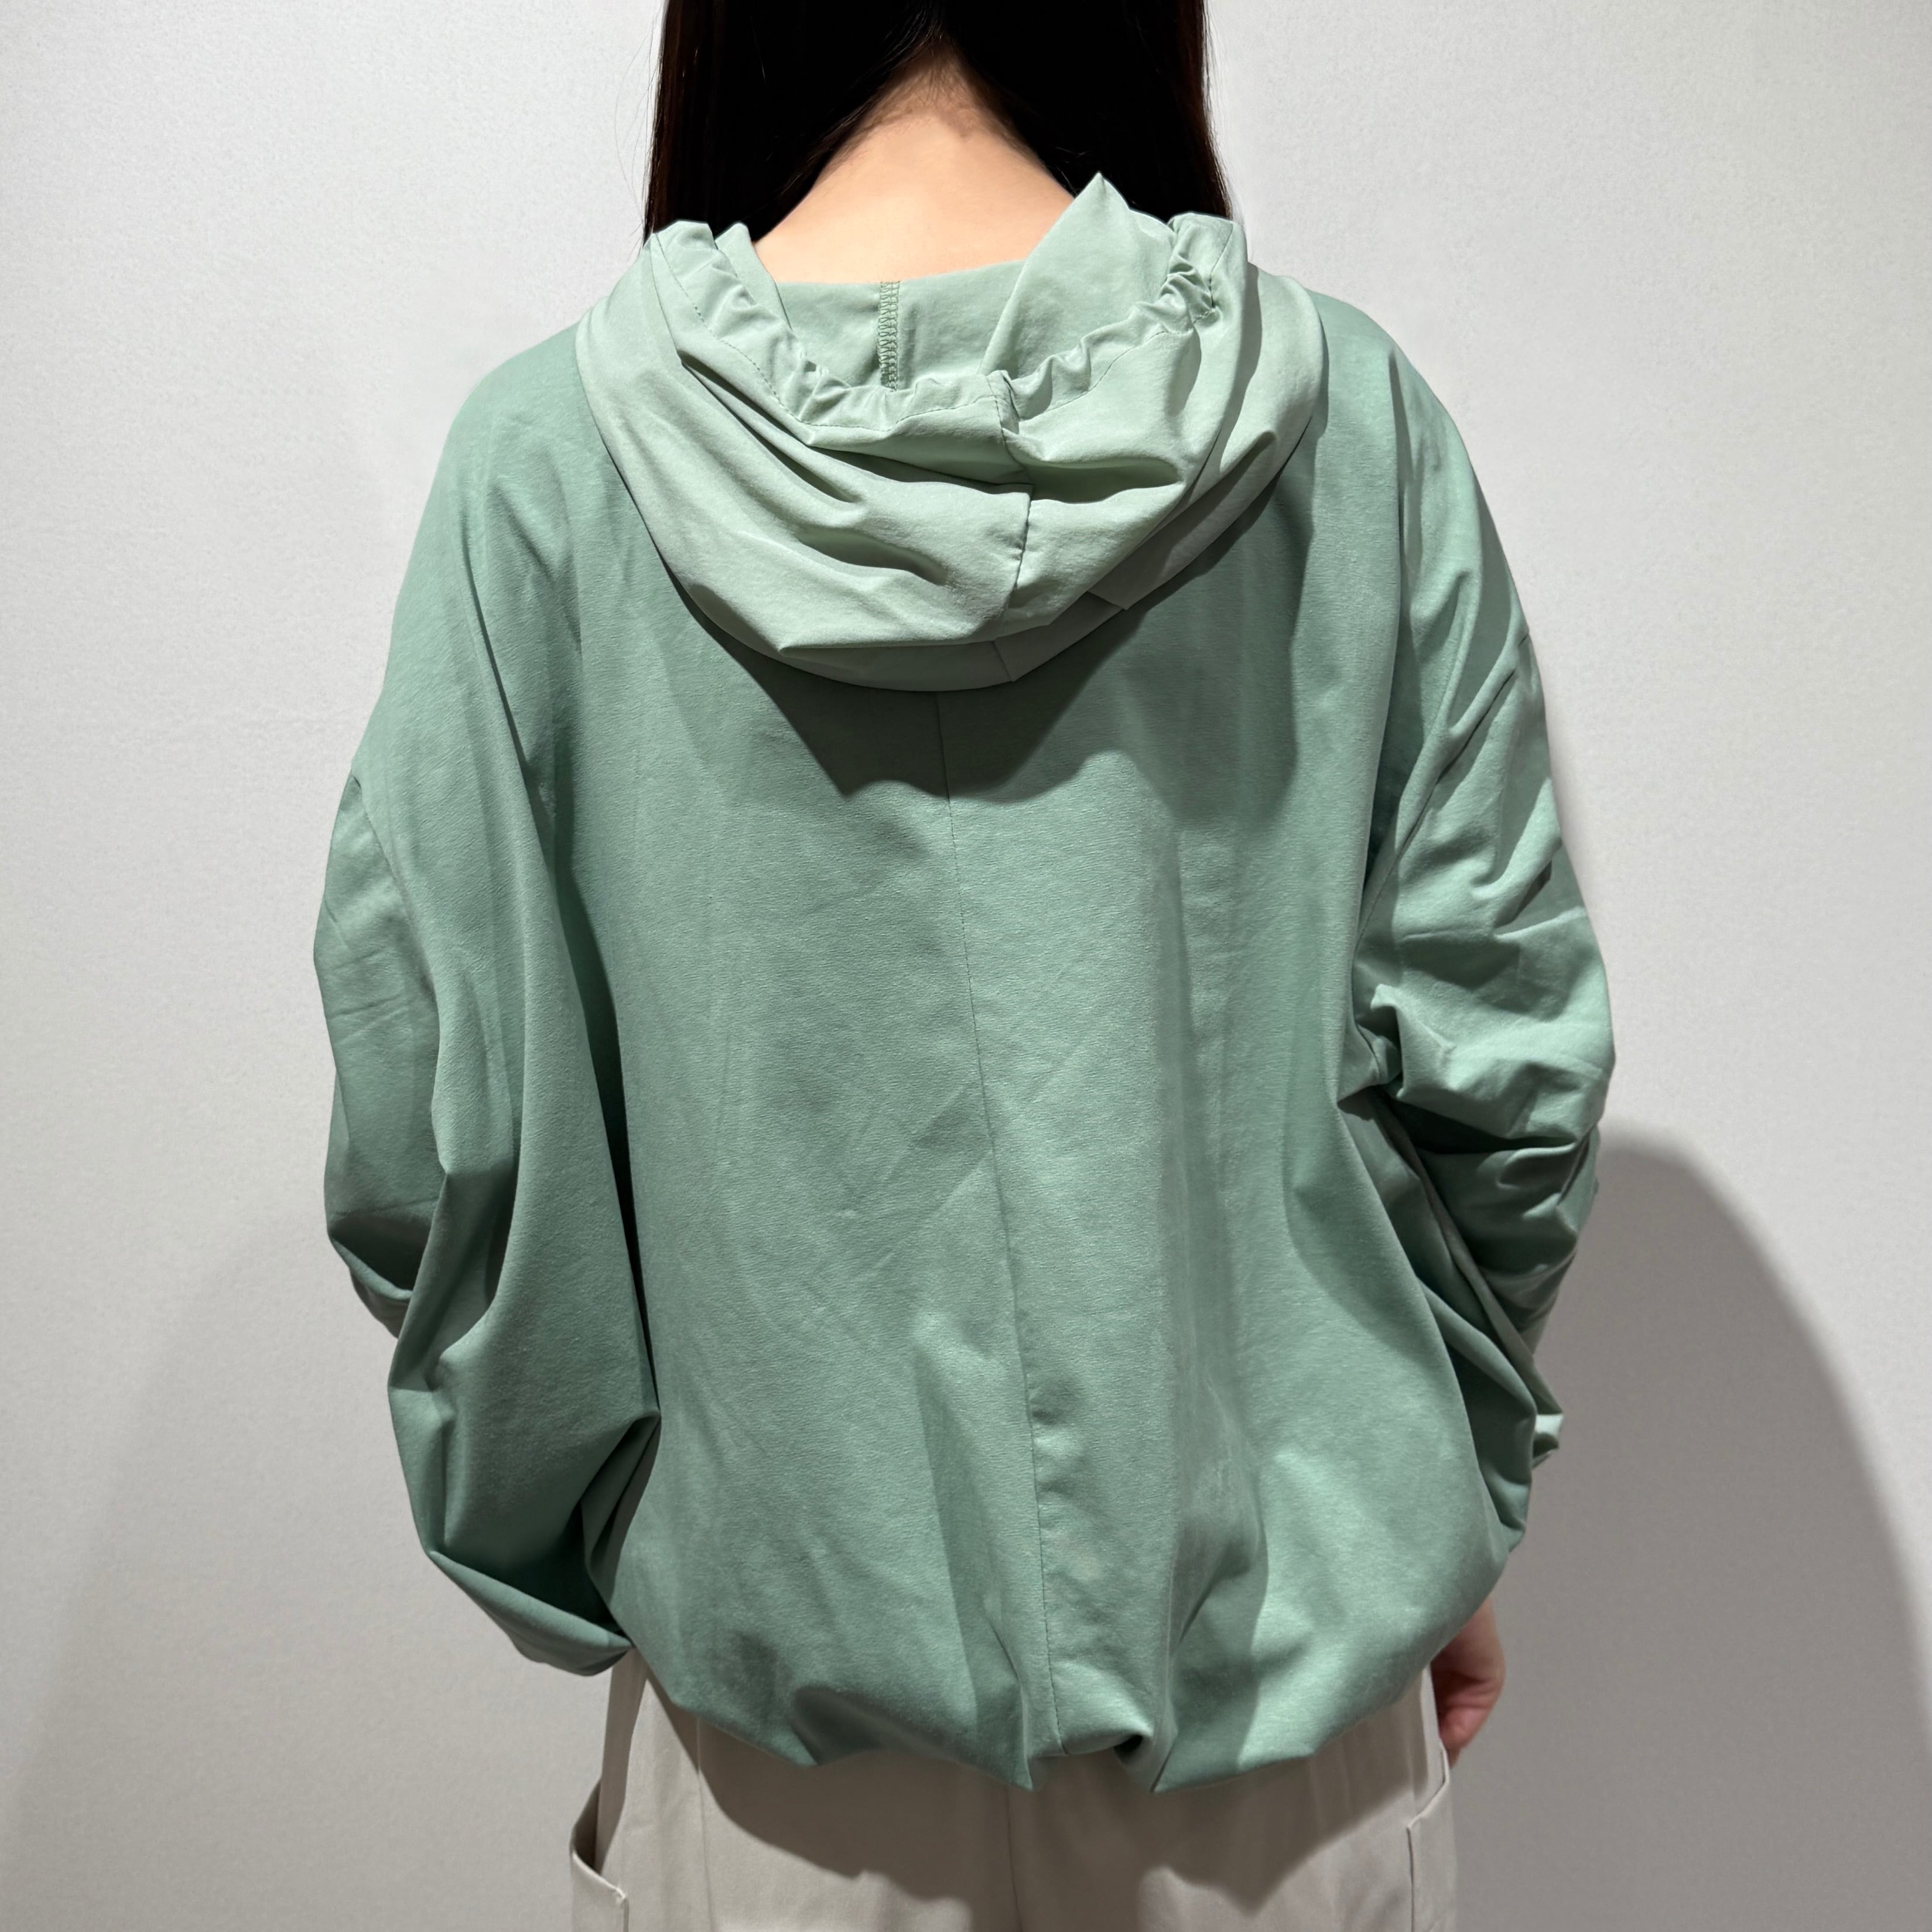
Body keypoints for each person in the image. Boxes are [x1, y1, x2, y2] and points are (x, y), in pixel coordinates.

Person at [312, 3, 1615, 1926]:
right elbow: (1501, 1068)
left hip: (777, 1806)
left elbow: (440, 1137)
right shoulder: (1346, 425)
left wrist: (638, 1543)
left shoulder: (545, 468)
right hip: (1282, 1763)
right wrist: (1407, 1499)